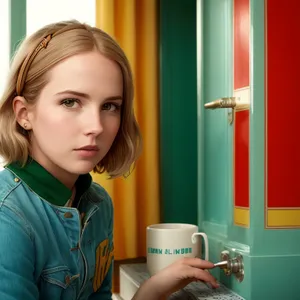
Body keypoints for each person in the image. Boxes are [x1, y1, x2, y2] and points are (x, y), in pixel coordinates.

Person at [0, 20, 218, 300]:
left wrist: (151, 290)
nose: (97, 126)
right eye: (70, 102)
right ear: (24, 113)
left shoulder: (98, 204)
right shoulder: (7, 219)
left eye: (110, 106)